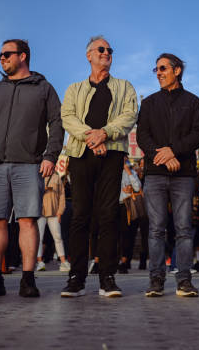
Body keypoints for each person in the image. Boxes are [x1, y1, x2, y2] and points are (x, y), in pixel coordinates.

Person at [0, 39, 64, 297]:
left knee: (28, 222)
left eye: (7, 54)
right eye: (0, 54)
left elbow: (57, 123)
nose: (1, 58)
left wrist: (50, 156)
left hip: (30, 164)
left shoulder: (44, 88)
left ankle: (28, 280)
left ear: (23, 56)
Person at [61, 36, 138, 298]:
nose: (106, 53)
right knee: (80, 214)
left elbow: (128, 116)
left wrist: (104, 134)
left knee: (108, 215)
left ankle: (107, 277)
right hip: (81, 154)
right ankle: (76, 278)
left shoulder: (124, 87)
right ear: (89, 55)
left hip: (112, 154)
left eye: (109, 50)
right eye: (101, 49)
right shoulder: (74, 88)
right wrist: (91, 137)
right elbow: (67, 117)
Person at [137, 53, 199, 297]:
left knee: (184, 229)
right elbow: (142, 135)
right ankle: (156, 280)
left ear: (177, 71)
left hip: (184, 174)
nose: (158, 72)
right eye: (156, 69)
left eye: (163, 68)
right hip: (155, 173)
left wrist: (173, 150)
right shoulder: (148, 103)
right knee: (155, 229)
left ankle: (184, 281)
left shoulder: (194, 102)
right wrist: (164, 155)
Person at [36, 172, 70, 273]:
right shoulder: (36, 175)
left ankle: (63, 262)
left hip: (54, 212)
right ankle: (39, 262)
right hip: (40, 211)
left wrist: (60, 212)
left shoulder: (56, 177)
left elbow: (62, 195)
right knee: (39, 238)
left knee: (58, 237)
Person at [117, 158, 142, 274]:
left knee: (126, 234)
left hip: (126, 206)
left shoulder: (131, 172)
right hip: (112, 205)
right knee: (113, 234)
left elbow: (137, 187)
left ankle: (124, 261)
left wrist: (129, 172)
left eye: (125, 159)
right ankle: (114, 260)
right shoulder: (111, 170)